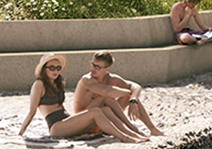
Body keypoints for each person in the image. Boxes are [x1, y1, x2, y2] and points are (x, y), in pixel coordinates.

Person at [18, 53, 149, 143]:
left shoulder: (58, 82)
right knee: (96, 111)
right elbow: (32, 111)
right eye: (51, 67)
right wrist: (20, 133)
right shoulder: (39, 84)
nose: (55, 70)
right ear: (44, 69)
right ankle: (125, 137)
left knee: (106, 110)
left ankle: (131, 131)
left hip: (66, 120)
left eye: (58, 68)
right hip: (56, 127)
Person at [74, 50, 164, 136]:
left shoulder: (111, 78)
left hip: (105, 119)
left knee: (130, 96)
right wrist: (130, 93)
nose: (93, 69)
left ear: (107, 68)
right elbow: (107, 92)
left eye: (97, 67)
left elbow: (136, 86)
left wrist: (133, 100)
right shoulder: (87, 80)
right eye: (93, 64)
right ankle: (131, 128)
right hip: (86, 122)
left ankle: (152, 129)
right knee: (105, 97)